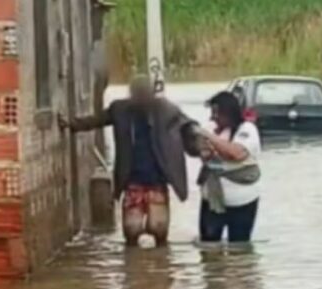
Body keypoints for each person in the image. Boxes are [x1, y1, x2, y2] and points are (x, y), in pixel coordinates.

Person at [62, 75, 204, 247]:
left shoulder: (166, 110)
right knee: (132, 229)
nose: (141, 97)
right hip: (132, 180)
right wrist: (71, 124)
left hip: (157, 180)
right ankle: (132, 267)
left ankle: (161, 264)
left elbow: (187, 125)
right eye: (138, 93)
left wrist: (197, 141)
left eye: (144, 93)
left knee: (158, 228)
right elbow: (96, 120)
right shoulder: (120, 110)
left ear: (152, 93)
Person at [196, 92, 262, 243]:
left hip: (243, 202)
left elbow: (236, 153)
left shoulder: (247, 129)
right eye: (212, 113)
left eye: (217, 113)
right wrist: (203, 147)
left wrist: (211, 138)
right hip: (211, 200)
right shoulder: (210, 127)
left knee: (239, 249)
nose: (213, 117)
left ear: (229, 113)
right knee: (209, 246)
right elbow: (203, 154)